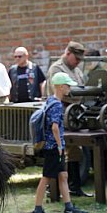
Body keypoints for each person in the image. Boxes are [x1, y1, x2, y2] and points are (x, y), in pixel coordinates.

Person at [30, 72, 89, 213]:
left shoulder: (50, 100)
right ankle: (37, 209)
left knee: (63, 175)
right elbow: (55, 127)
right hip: (54, 147)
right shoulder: (56, 105)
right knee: (46, 178)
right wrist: (59, 146)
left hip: (53, 146)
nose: (69, 88)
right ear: (61, 87)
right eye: (68, 85)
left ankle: (69, 207)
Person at [47, 41, 90, 197]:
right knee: (59, 151)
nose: (78, 61)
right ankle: (53, 189)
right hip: (60, 114)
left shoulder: (77, 71)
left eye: (80, 59)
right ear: (68, 53)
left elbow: (82, 89)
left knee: (75, 151)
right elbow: (64, 93)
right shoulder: (57, 69)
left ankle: (75, 187)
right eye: (76, 58)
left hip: (73, 116)